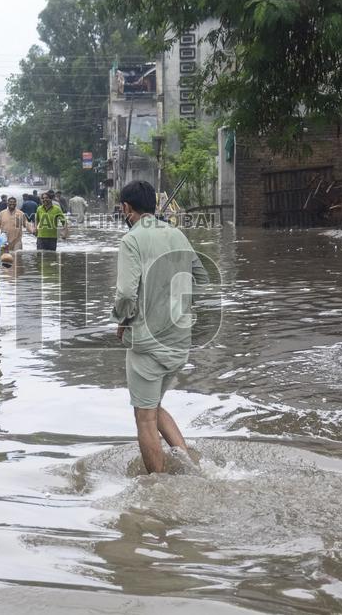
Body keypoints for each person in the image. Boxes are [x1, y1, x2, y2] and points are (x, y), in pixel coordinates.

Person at [111, 180, 209, 474]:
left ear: (127, 208)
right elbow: (202, 281)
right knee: (152, 406)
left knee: (143, 417)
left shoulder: (131, 240)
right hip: (180, 340)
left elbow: (127, 295)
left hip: (148, 345)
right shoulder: (177, 234)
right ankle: (190, 464)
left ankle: (158, 485)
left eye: (121, 208)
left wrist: (122, 319)